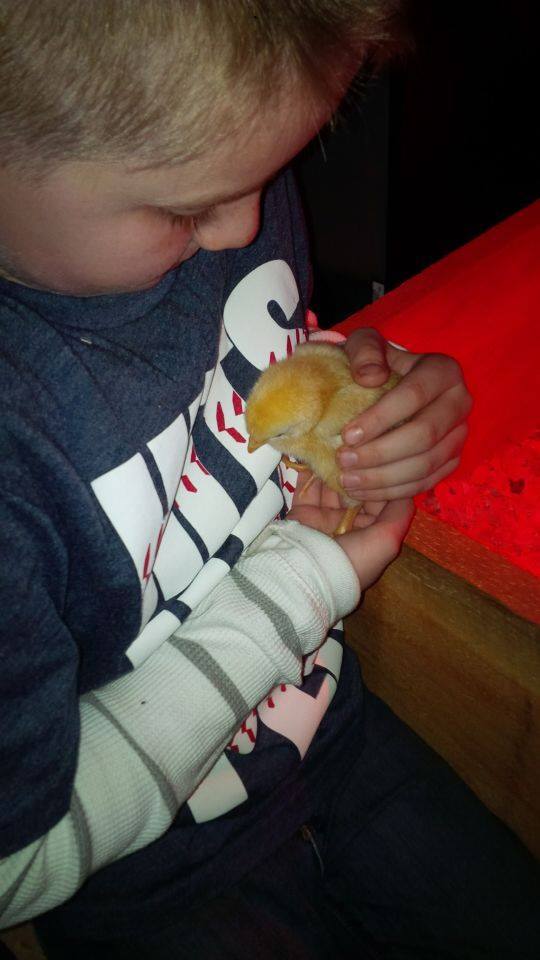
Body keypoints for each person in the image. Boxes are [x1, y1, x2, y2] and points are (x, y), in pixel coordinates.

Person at [0, 2, 538, 957]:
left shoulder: (210, 193)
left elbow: (247, 369)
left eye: (280, 164)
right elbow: (17, 863)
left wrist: (370, 384)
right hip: (150, 881)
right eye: (184, 208)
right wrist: (304, 582)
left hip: (337, 736)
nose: (250, 226)